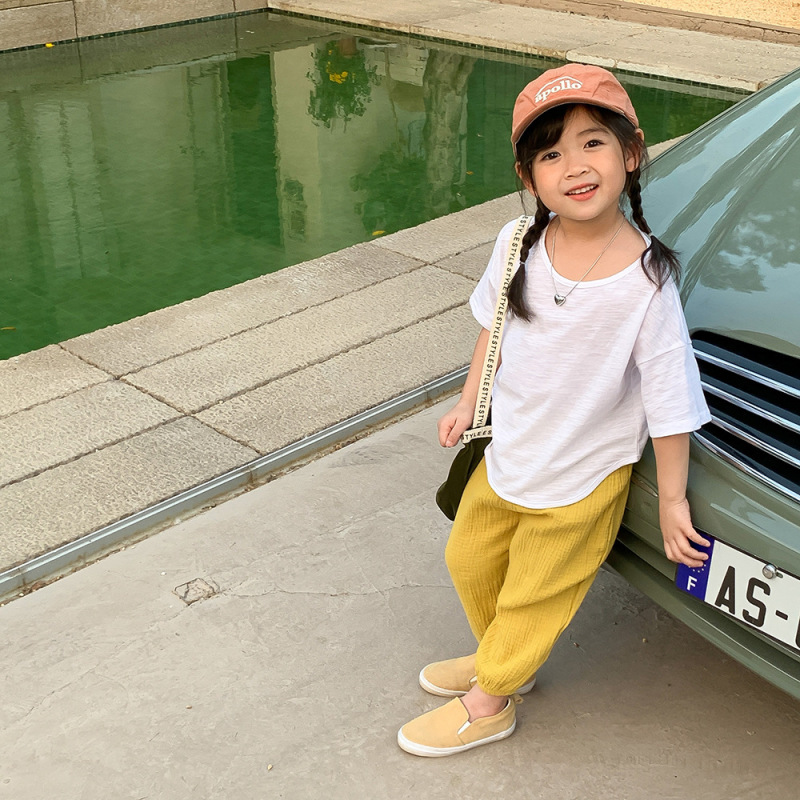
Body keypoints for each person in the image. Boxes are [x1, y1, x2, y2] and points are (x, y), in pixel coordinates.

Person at [397, 64, 712, 758]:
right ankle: (504, 658)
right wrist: (467, 400)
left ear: (631, 154)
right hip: (512, 451)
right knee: (469, 558)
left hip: (581, 477)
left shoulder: (647, 281)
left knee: (535, 594)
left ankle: (491, 702)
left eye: (593, 142)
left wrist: (671, 499)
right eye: (550, 154)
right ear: (528, 176)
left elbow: (670, 396)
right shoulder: (519, 245)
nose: (574, 166)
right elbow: (493, 328)